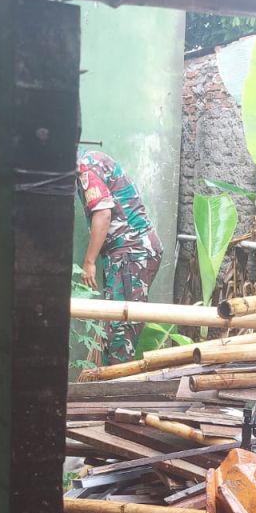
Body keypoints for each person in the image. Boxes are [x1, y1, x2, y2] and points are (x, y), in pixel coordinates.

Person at [76, 150, 163, 364]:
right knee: (117, 326)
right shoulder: (92, 160)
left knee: (119, 333)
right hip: (129, 253)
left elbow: (103, 213)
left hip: (131, 253)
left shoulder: (85, 167)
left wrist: (89, 262)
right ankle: (110, 387)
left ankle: (114, 392)